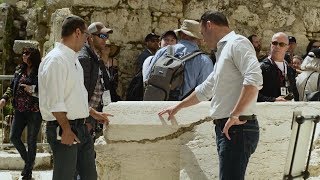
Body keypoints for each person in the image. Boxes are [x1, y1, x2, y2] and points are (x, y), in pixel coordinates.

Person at [159, 11, 263, 180]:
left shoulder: (237, 43)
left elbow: (254, 80)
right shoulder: (224, 50)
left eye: (202, 33)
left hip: (237, 128)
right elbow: (206, 89)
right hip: (230, 129)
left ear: (209, 25)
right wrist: (177, 107)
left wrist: (235, 114)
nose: (202, 39)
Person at [38, 15, 111, 180]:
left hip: (80, 128)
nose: (87, 39)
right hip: (64, 127)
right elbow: (55, 101)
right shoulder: (56, 60)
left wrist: (93, 113)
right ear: (77, 32)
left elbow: (74, 96)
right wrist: (66, 130)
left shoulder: (72, 59)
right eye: (86, 34)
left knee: (89, 176)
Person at [0, 47, 42, 180]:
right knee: (14, 137)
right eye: (23, 53)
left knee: (31, 141)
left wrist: (33, 90)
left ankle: (28, 172)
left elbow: (46, 89)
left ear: (33, 56)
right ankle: (29, 163)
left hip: (34, 111)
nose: (24, 55)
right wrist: (4, 98)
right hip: (19, 110)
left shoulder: (41, 70)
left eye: (27, 53)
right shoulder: (19, 69)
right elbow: (11, 86)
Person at [145, 20, 213, 100]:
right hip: (186, 108)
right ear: (198, 38)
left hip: (160, 104)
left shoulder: (162, 51)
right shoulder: (204, 60)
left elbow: (147, 78)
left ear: (181, 34)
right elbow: (206, 92)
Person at [78, 22, 118, 139]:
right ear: (90, 37)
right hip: (85, 116)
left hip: (94, 115)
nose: (105, 40)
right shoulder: (84, 58)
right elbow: (81, 91)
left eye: (106, 37)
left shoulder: (96, 57)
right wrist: (87, 118)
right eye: (102, 36)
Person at [258, 32, 299, 102]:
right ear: (270, 45)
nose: (277, 46)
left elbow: (295, 93)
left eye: (281, 44)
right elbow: (252, 93)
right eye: (274, 43)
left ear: (287, 47)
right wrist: (273, 100)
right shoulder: (261, 67)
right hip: (267, 110)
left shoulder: (289, 70)